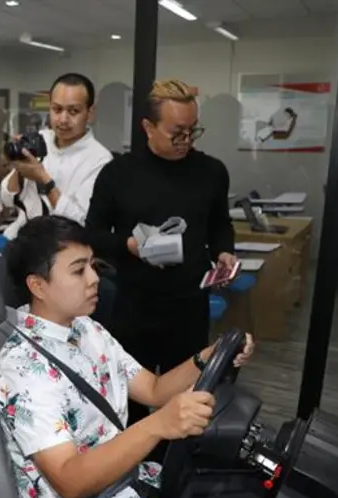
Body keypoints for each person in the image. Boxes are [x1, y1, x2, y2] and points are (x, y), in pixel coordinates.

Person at [0, 215, 262, 498]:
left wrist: (207, 357)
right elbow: (71, 482)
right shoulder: (22, 370)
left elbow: (153, 390)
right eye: (79, 270)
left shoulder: (88, 330)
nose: (94, 278)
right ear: (38, 286)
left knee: (247, 493)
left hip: (124, 487)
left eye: (93, 265)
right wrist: (158, 425)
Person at [85, 79, 236, 453]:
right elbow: (93, 233)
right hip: (134, 304)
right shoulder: (118, 173)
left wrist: (224, 251)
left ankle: (173, 472)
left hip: (188, 305)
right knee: (130, 400)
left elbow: (220, 222)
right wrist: (129, 246)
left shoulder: (212, 171)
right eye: (176, 132)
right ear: (148, 127)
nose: (186, 139)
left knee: (185, 400)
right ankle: (129, 467)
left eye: (192, 130)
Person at [0, 73, 112, 241]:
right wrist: (19, 168)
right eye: (57, 109)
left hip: (62, 250)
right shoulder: (40, 139)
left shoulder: (100, 160)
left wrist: (44, 180)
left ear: (89, 113)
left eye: (74, 111)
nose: (63, 119)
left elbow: (81, 221)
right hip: (20, 241)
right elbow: (7, 199)